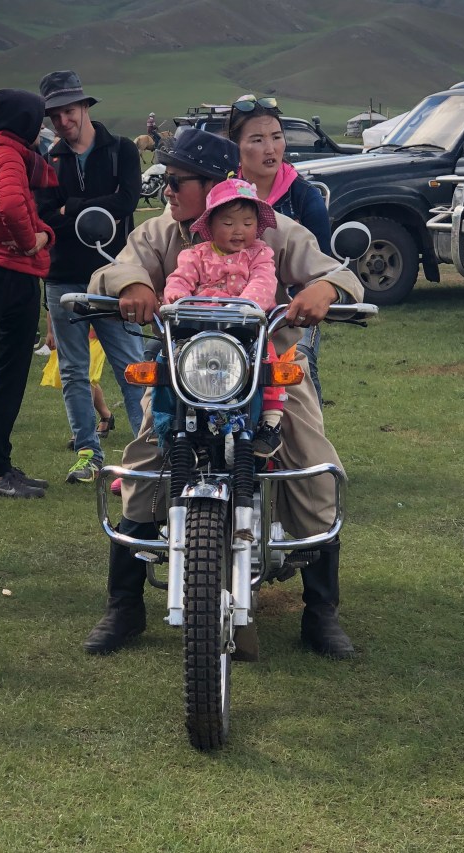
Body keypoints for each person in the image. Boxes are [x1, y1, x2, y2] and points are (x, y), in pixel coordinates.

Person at [83, 128, 364, 660]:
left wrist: (325, 288)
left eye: (177, 181)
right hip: (184, 370)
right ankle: (124, 605)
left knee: (313, 464)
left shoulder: (271, 230)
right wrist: (131, 285)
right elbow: (115, 267)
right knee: (142, 464)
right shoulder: (158, 232)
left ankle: (321, 611)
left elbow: (334, 271)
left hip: (268, 366)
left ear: (214, 185)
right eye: (166, 181)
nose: (167, 190)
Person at [36, 69, 144, 485]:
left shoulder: (121, 150)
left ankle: (149, 453)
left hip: (115, 276)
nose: (63, 121)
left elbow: (127, 201)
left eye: (69, 111)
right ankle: (87, 454)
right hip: (63, 276)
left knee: (132, 367)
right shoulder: (49, 160)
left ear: (84, 106)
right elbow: (46, 217)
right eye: (54, 115)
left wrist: (73, 207)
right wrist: (87, 208)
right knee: (73, 371)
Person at [0, 88, 57, 499]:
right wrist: (33, 240)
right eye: (37, 120)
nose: (41, 127)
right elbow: (9, 206)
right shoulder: (9, 160)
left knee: (4, 374)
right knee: (8, 378)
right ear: (25, 123)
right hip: (12, 277)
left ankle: (2, 465)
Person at [163, 177, 284, 457]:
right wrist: (176, 298)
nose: (238, 230)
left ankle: (271, 422)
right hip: (198, 331)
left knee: (269, 361)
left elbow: (264, 283)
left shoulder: (260, 254)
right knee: (165, 362)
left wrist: (246, 306)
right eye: (228, 223)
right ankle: (169, 423)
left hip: (245, 329)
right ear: (210, 225)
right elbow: (180, 279)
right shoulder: (195, 255)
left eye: (247, 223)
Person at [227, 94, 332, 406]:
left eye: (276, 137)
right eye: (257, 139)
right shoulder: (221, 194)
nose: (270, 148)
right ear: (236, 146)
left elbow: (324, 267)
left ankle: (309, 433)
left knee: (301, 362)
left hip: (287, 314)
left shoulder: (304, 197)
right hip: (226, 306)